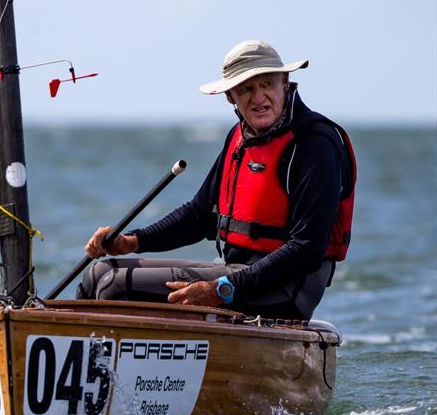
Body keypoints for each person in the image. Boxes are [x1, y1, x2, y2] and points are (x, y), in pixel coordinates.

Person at [77, 40, 356, 320]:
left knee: (115, 286)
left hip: (286, 290)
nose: (258, 98)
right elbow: (199, 215)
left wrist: (221, 289)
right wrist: (132, 241)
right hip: (239, 277)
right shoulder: (240, 137)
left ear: (285, 83)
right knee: (97, 273)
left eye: (267, 84)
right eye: (246, 88)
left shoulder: (315, 144)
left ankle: (105, 360)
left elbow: (306, 250)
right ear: (230, 96)